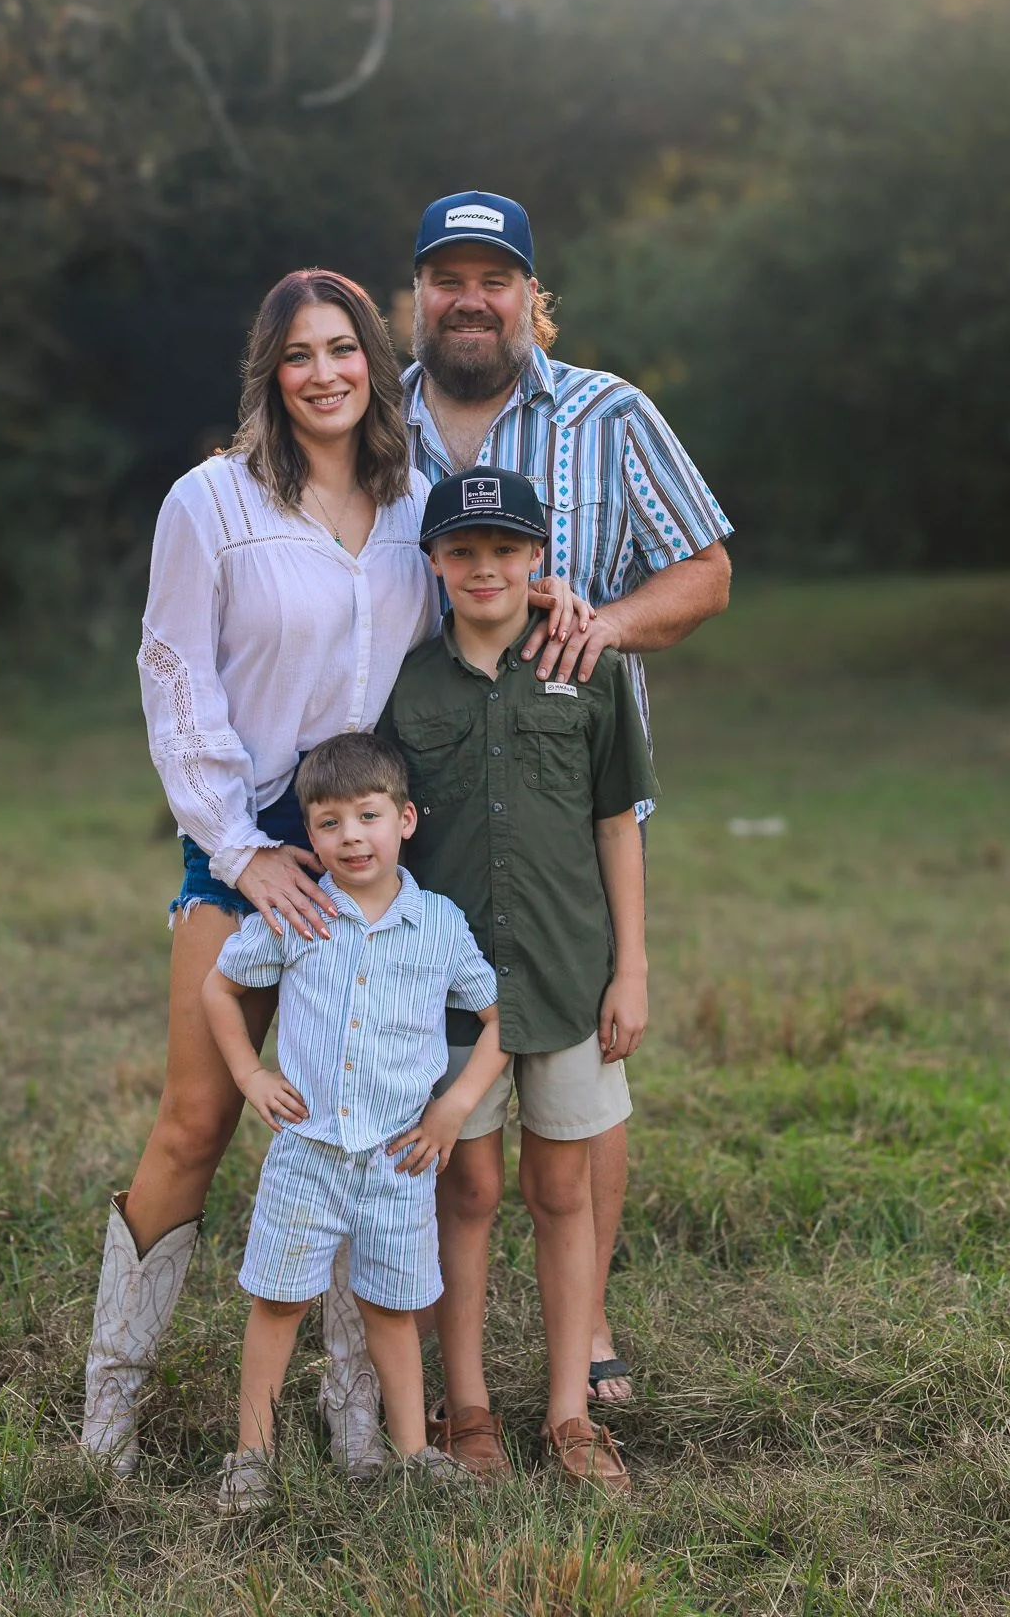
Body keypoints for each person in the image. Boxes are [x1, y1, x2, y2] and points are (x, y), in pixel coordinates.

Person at [79, 267, 584, 1476]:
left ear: (375, 361)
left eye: (344, 348)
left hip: (373, 838)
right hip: (251, 827)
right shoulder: (211, 502)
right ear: (271, 371)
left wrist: (545, 596)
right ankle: (108, 1413)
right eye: (298, 353)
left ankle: (356, 1416)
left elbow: (474, 588)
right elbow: (173, 674)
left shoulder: (412, 503)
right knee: (198, 1116)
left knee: (370, 1115)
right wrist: (242, 851)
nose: (324, 372)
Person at [320, 191, 732, 1454]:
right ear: (417, 295)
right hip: (425, 804)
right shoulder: (368, 416)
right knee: (457, 1149)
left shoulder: (609, 414)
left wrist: (603, 623)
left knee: (574, 1092)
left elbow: (707, 569)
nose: (469, 298)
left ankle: (583, 1333)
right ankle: (441, 1377)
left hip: (568, 788)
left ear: (528, 295)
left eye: (493, 278)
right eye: (445, 277)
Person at [377, 469, 658, 1493]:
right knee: (467, 1187)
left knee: (561, 1188)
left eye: (504, 548)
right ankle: (469, 1408)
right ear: (435, 562)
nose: (485, 567)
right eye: (462, 550)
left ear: (538, 557)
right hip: (452, 993)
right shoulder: (409, 686)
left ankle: (570, 1414)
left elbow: (616, 824)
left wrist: (631, 968)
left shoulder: (587, 669)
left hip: (571, 973)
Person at [201, 732, 507, 1511]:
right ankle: (252, 1456)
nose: (351, 837)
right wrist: (250, 1074)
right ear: (310, 834)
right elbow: (219, 988)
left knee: (393, 1311)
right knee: (278, 1302)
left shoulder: (438, 924)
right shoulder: (298, 914)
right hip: (307, 1152)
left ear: (404, 819)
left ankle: (411, 1453)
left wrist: (452, 1107)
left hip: (400, 1159)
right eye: (329, 823)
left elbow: (500, 1019)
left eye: (368, 816)